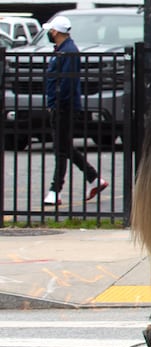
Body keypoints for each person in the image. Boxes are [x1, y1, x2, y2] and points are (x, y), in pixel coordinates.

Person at [41, 16, 107, 206]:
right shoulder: (62, 50)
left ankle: (55, 190)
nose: (49, 33)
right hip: (60, 106)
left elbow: (67, 82)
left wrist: (58, 103)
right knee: (65, 148)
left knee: (61, 150)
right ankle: (94, 178)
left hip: (64, 107)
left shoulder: (68, 51)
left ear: (55, 32)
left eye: (51, 30)